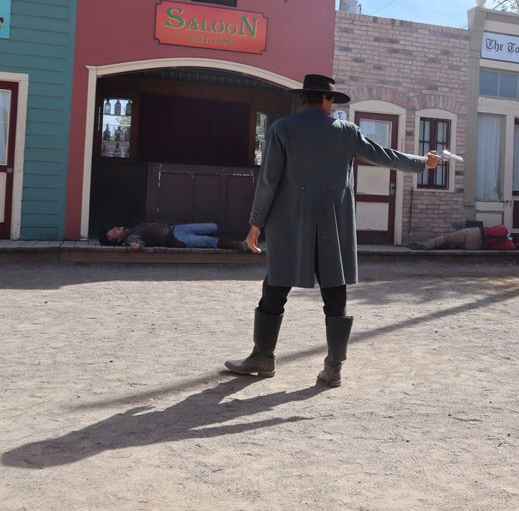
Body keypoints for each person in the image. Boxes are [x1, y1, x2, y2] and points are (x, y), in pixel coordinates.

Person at [224, 74, 444, 388]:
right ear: (326, 100)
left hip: (290, 225)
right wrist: (422, 162)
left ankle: (263, 357)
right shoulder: (346, 133)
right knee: (335, 293)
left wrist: (255, 226)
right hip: (333, 226)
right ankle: (333, 367)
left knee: (274, 289)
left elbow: (268, 182)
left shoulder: (282, 130)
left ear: (303, 98)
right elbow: (384, 156)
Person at [100, 222, 247, 251]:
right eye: (113, 232)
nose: (114, 228)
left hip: (176, 228)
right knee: (209, 241)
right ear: (117, 240)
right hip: (175, 240)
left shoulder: (132, 229)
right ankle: (239, 245)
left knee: (212, 226)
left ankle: (240, 236)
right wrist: (134, 247)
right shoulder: (130, 238)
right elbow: (138, 245)